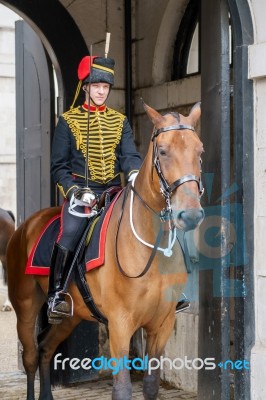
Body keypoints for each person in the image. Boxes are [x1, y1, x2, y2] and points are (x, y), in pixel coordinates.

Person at [47, 55, 142, 324]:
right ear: (86, 87)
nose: (101, 91)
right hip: (81, 194)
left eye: (105, 87)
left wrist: (134, 172)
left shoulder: (119, 121)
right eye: (96, 86)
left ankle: (167, 290)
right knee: (71, 232)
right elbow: (59, 167)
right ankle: (57, 294)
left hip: (113, 191)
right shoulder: (69, 121)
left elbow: (129, 156)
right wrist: (75, 191)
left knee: (150, 221)